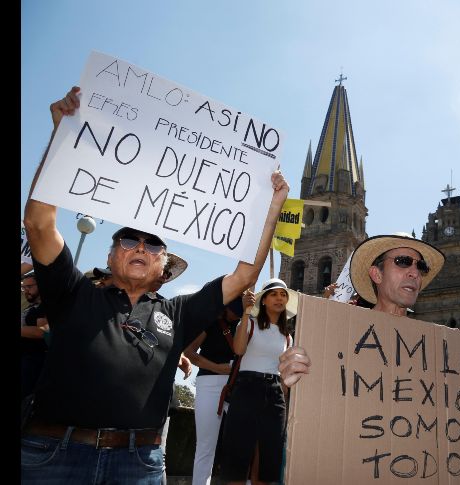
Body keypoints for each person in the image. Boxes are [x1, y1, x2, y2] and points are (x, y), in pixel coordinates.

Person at [21, 85, 289, 483]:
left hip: (138, 465)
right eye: (128, 239)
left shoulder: (177, 311)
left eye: (153, 244)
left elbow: (245, 277)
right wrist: (62, 138)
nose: (140, 247)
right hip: (53, 458)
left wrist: (271, 211)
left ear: (164, 266)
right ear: (111, 255)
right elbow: (39, 224)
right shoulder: (72, 293)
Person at [278, 233, 460, 408]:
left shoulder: (437, 347)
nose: (414, 272)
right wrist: (291, 382)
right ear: (376, 274)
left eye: (420, 267)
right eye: (402, 262)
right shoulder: (338, 336)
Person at [218, 279, 297, 485]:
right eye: (274, 294)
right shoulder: (250, 324)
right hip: (247, 388)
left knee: (270, 456)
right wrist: (245, 312)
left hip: (275, 394)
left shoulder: (287, 336)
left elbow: (285, 372)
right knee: (238, 453)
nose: (279, 298)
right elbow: (239, 350)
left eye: (283, 294)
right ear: (263, 301)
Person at [183, 298, 242, 485]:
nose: (238, 313)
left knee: (243, 443)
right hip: (209, 383)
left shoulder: (246, 325)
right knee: (206, 445)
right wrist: (218, 368)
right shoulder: (210, 322)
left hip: (238, 386)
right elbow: (190, 352)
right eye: (236, 308)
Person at [21, 272, 48, 401]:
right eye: (24, 287)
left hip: (31, 361)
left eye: (29, 287)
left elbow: (42, 332)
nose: (26, 291)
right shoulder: (30, 308)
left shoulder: (46, 306)